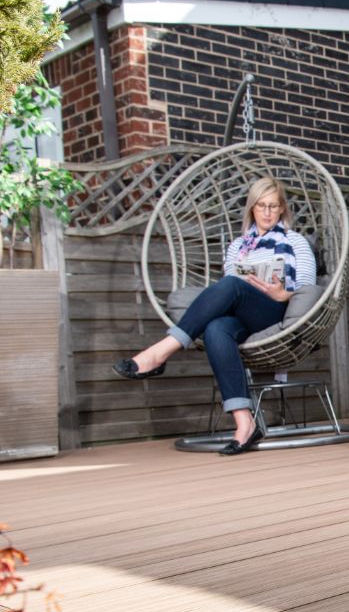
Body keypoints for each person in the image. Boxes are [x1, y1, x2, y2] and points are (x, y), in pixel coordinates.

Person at [113, 177, 317, 455]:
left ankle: (161, 351)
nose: (268, 212)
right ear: (252, 208)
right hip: (244, 314)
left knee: (232, 285)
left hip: (276, 312)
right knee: (216, 328)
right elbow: (232, 295)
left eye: (273, 206)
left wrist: (282, 293)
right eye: (261, 206)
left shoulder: (295, 242)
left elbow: (308, 290)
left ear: (282, 208)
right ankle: (245, 424)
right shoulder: (238, 247)